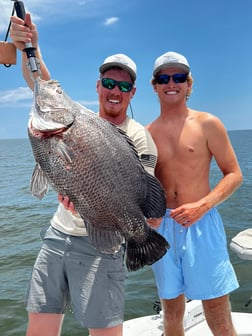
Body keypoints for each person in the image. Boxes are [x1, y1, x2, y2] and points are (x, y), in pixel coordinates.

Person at [10, 14, 158, 336]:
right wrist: (30, 47)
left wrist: (131, 226)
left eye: (123, 86)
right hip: (56, 235)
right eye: (108, 83)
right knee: (39, 325)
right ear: (98, 86)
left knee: (103, 331)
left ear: (132, 92)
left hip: (100, 247)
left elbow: (143, 198)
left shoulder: (139, 136)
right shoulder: (79, 118)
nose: (114, 91)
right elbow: (43, 85)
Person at [147, 51, 243, 336]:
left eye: (178, 77)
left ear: (189, 83)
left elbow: (235, 174)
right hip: (161, 229)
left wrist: (202, 205)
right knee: (172, 312)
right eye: (164, 78)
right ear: (155, 86)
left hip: (202, 223)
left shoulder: (207, 123)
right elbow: (143, 185)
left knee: (217, 312)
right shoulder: (145, 132)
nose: (171, 83)